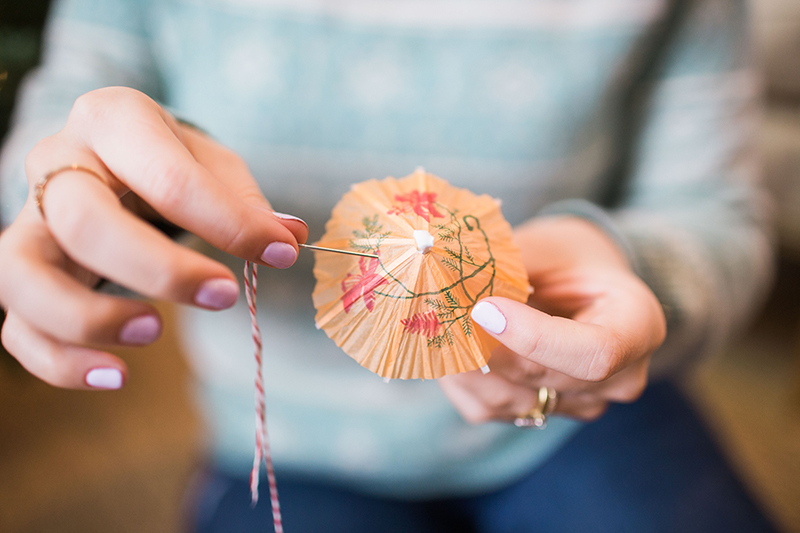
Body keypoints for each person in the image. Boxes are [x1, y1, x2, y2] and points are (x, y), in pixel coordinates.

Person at [0, 0, 778, 531]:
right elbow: (58, 125)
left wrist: (630, 265)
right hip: (291, 448)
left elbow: (717, 214)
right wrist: (79, 196)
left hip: (583, 418)